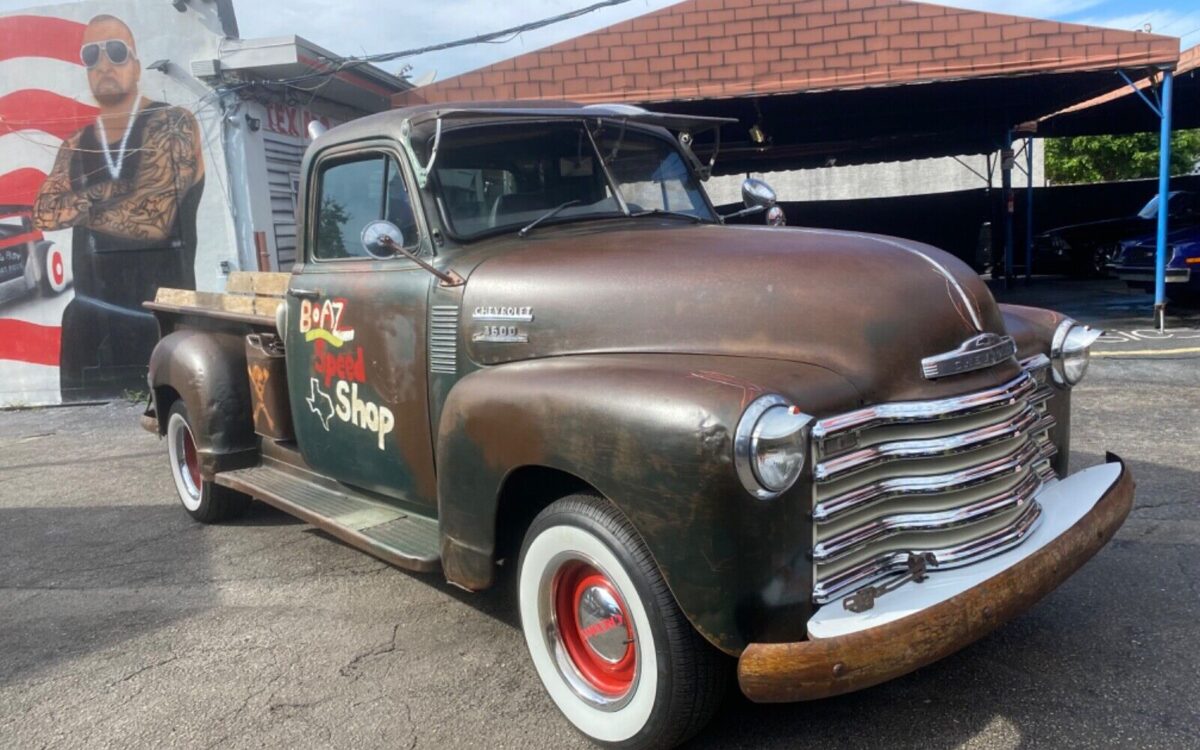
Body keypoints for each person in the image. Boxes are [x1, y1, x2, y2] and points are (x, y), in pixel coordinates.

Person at [34, 14, 205, 398]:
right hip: (90, 330)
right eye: (90, 56)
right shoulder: (76, 143)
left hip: (163, 320)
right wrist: (119, 190)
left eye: (115, 51)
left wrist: (78, 206)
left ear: (137, 65)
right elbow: (43, 211)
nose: (103, 64)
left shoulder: (172, 121)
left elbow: (156, 218)